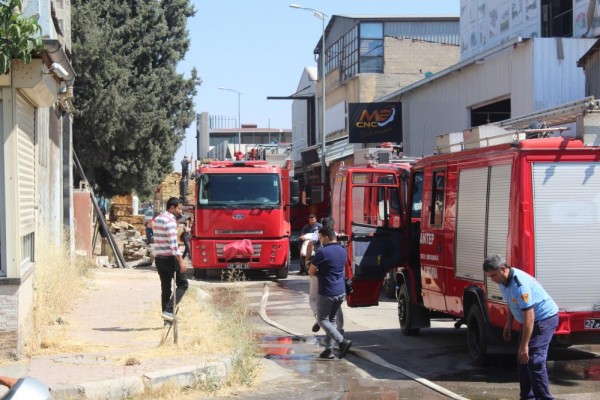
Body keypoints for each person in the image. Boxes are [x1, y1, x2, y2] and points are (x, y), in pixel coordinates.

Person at [483, 254, 559, 400]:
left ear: (503, 269)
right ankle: (526, 397)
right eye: (490, 276)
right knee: (523, 360)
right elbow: (513, 303)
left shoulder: (520, 284)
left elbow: (529, 317)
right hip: (531, 320)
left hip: (544, 319)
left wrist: (524, 346)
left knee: (534, 360)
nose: (492, 280)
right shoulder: (503, 281)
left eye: (493, 275)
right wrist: (508, 323)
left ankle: (544, 398)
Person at [308, 226, 352, 359]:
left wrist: (319, 272)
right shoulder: (343, 250)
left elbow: (311, 271)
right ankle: (329, 350)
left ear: (326, 237)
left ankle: (342, 341)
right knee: (331, 320)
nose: (320, 240)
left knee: (322, 320)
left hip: (327, 292)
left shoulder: (322, 252)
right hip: (340, 291)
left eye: (321, 238)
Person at [153, 197, 189, 323]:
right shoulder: (170, 221)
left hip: (159, 259)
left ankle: (167, 320)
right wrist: (181, 261)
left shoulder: (158, 219)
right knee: (183, 284)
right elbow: (174, 245)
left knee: (166, 288)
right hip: (170, 259)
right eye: (179, 209)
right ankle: (168, 310)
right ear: (172, 208)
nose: (180, 211)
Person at [306, 217, 343, 335]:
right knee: (336, 303)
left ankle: (319, 317)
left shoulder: (317, 234)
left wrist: (307, 260)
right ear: (334, 225)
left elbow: (310, 244)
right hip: (334, 273)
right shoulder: (336, 236)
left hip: (317, 270)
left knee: (312, 298)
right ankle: (340, 328)